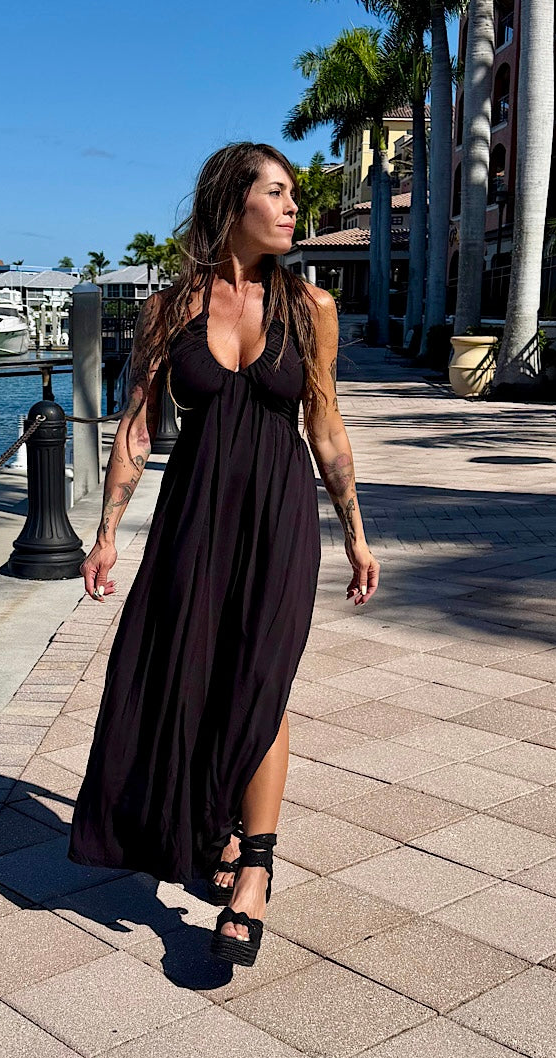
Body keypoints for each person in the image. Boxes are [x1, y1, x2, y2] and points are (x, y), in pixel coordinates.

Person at [69, 141, 379, 967]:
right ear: (232, 200)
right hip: (194, 518)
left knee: (262, 679)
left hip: (278, 518)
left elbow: (325, 426)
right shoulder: (170, 309)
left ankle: (256, 871)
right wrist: (106, 532)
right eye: (276, 194)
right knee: (190, 677)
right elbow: (136, 427)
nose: (291, 209)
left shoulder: (311, 306)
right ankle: (209, 829)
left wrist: (353, 530)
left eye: (293, 197)